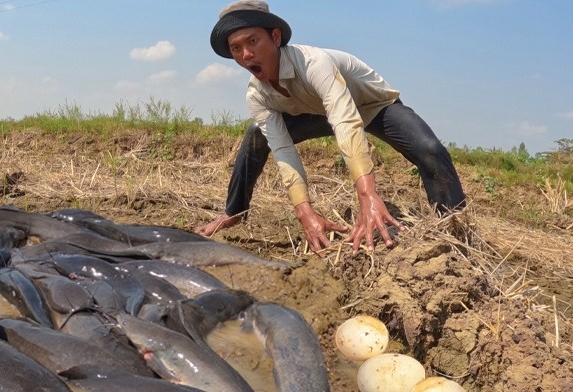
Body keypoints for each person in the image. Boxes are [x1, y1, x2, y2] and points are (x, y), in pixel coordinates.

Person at [197, 1, 466, 255]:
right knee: (257, 135)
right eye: (236, 48)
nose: (246, 55)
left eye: (253, 41)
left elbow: (346, 121)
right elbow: (282, 149)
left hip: (373, 106)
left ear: (276, 38)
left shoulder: (314, 64)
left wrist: (367, 195)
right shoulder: (257, 95)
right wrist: (305, 212)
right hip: (319, 113)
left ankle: (455, 232)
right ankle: (234, 212)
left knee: (430, 150)